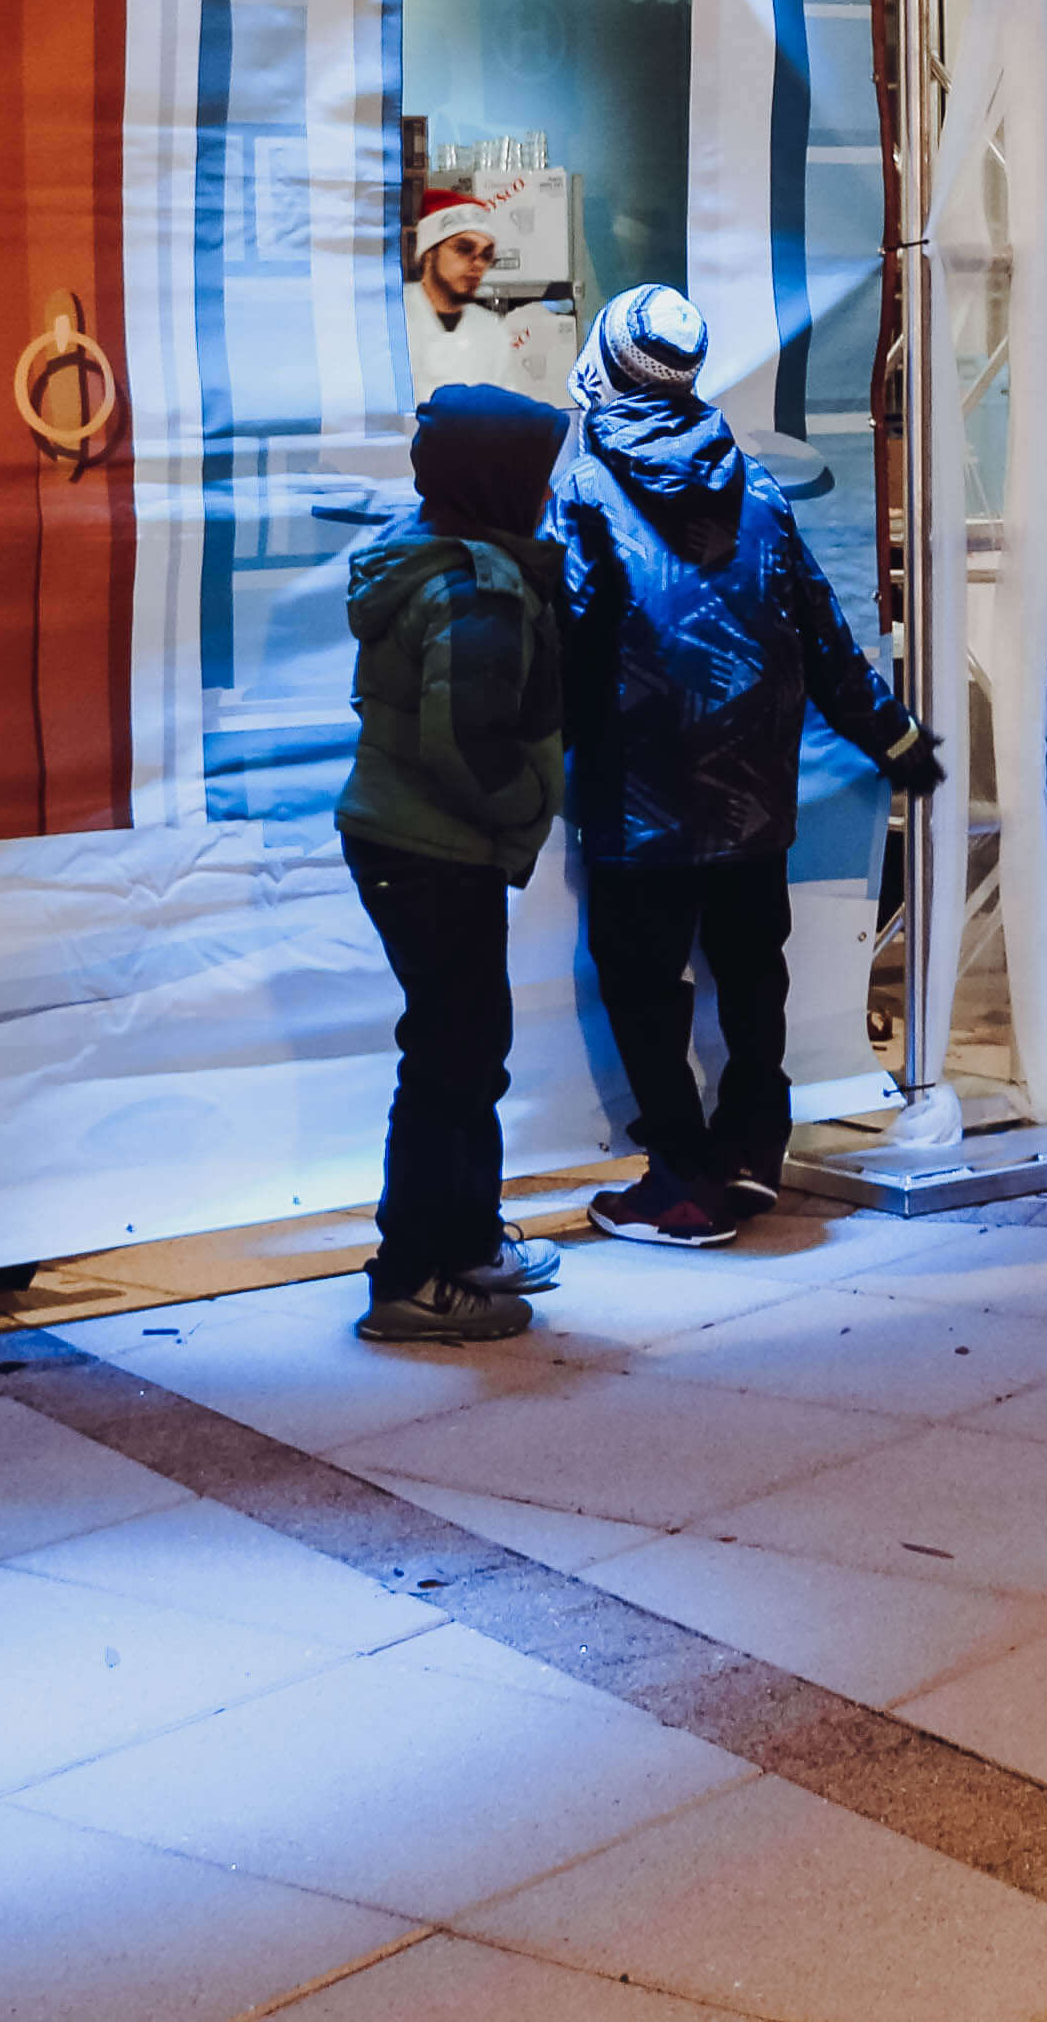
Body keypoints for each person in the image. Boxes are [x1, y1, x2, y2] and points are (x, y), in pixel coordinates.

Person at [545, 284, 942, 1246]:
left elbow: (564, 642)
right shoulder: (755, 483)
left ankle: (681, 1181)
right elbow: (823, 633)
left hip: (640, 800)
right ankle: (755, 1151)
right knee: (751, 976)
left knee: (643, 990)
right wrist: (895, 742)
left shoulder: (584, 488)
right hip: (755, 796)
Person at [339, 384, 576, 1345]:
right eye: (537, 476)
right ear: (498, 480)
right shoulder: (474, 585)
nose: (549, 494)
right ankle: (411, 1278)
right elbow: (468, 743)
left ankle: (467, 1240)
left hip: (413, 844)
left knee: (468, 1052)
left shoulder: (437, 555)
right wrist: (528, 809)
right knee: (450, 1062)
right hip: (433, 850)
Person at [403, 194, 573, 403]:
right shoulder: (390, 321)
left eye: (486, 255)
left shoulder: (491, 330)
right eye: (464, 249)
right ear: (429, 254)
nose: (477, 264)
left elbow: (505, 410)